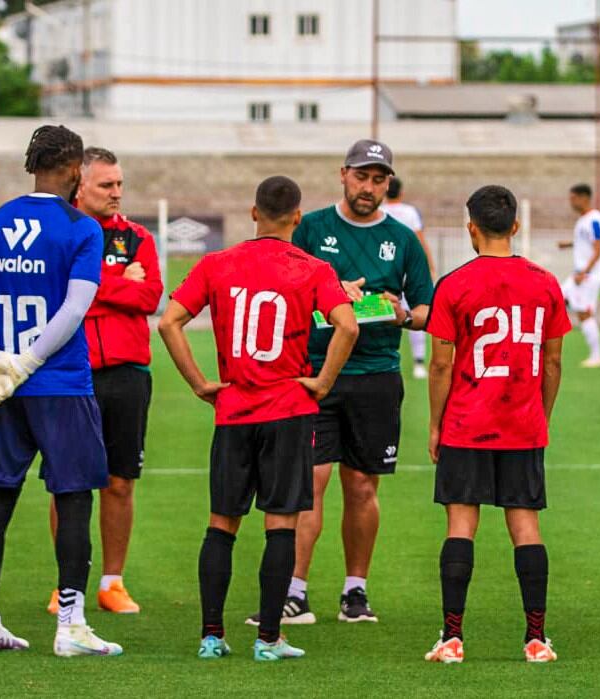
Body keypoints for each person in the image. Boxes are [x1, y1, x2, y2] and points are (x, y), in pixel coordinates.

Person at [160, 176, 357, 661]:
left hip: (233, 411)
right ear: (297, 217)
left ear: (253, 213)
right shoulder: (313, 268)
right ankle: (269, 639)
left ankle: (211, 636)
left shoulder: (217, 263)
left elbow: (168, 322)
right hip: (288, 410)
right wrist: (323, 382)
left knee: (222, 523)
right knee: (281, 524)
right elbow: (348, 326)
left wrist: (199, 383)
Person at [251, 139, 434, 626]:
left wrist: (401, 314)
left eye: (378, 179)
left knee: (362, 487)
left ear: (387, 184)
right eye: (361, 177)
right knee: (311, 482)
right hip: (315, 374)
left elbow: (426, 309)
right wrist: (329, 293)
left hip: (376, 375)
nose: (369, 187)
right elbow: (279, 290)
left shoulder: (403, 239)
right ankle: (294, 591)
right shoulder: (311, 228)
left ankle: (356, 591)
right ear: (343, 175)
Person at [0, 125, 122, 656]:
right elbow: (74, 308)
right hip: (61, 382)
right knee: (72, 500)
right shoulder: (83, 229)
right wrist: (28, 362)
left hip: (5, 387)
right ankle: (70, 626)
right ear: (74, 170)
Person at [424, 185, 570, 664]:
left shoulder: (454, 284)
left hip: (466, 423)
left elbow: (440, 365)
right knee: (525, 525)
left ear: (471, 228)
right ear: (516, 226)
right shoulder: (545, 282)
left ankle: (452, 638)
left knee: (460, 524)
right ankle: (536, 639)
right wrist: (541, 415)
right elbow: (553, 362)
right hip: (522, 423)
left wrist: (435, 425)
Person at [45, 147, 163, 615]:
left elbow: (150, 296)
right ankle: (66, 582)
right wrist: (118, 281)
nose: (117, 192)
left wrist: (92, 285)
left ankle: (112, 582)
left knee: (120, 482)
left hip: (127, 375)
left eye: (119, 184)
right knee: (67, 483)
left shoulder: (137, 238)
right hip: (70, 373)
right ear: (80, 185)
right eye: (106, 185)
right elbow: (58, 296)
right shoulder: (57, 234)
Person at [382, 176, 436, 379]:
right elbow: (420, 241)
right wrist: (430, 266)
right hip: (408, 270)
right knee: (415, 314)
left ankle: (383, 359)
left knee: (380, 313)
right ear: (401, 193)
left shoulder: (380, 211)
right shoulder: (410, 212)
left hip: (385, 270)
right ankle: (419, 362)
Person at [558, 183, 600, 368]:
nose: (571, 202)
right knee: (557, 298)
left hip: (589, 275)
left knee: (584, 313)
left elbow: (598, 249)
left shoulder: (595, 219)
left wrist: (585, 272)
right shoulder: (583, 220)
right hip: (580, 273)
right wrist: (570, 244)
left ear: (584, 198)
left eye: (573, 198)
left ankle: (597, 356)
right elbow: (586, 242)